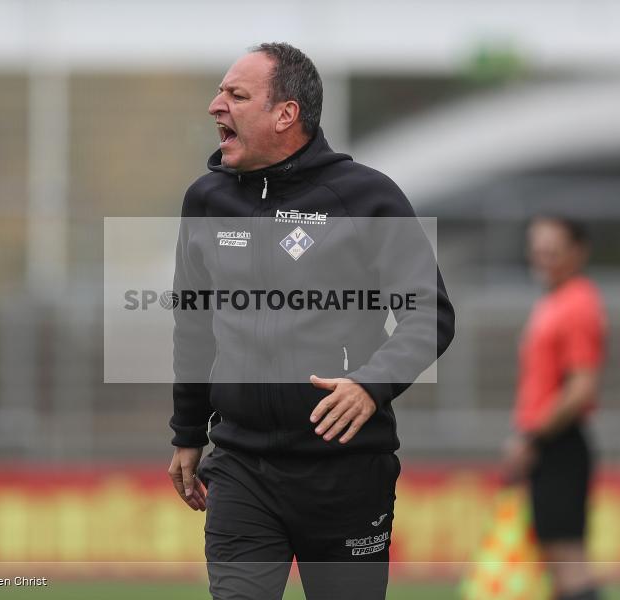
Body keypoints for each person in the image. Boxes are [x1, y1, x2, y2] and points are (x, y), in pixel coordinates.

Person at [166, 43, 455, 600]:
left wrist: (372, 385)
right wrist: (186, 433)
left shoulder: (366, 197)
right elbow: (193, 326)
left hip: (345, 472)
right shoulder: (206, 200)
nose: (215, 106)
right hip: (240, 467)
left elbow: (430, 314)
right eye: (221, 92)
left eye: (236, 94)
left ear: (285, 114)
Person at [503, 216, 607, 600]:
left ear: (578, 252)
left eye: (553, 250)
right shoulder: (556, 301)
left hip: (558, 442)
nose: (542, 257)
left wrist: (532, 437)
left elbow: (581, 387)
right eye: (537, 249)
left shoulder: (578, 303)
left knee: (568, 559)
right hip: (548, 442)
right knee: (555, 562)